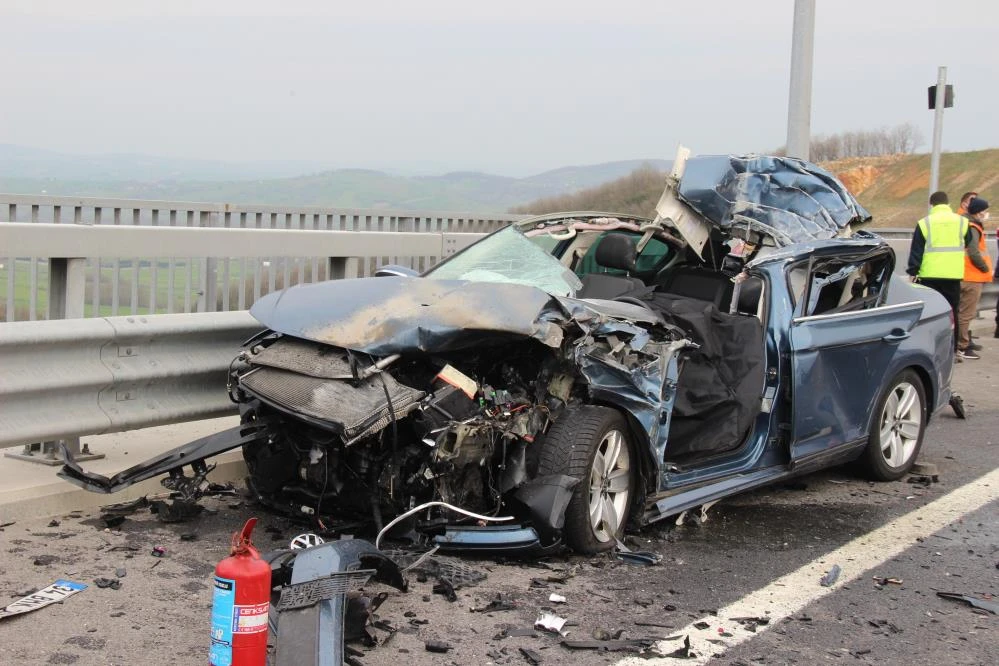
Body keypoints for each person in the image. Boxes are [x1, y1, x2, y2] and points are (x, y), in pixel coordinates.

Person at [906, 191, 975, 355]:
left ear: (932, 205)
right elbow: (969, 242)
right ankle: (953, 350)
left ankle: (929, 349)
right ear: (948, 204)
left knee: (929, 315)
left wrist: (913, 271)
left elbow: (916, 251)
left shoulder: (924, 223)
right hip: (952, 276)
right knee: (952, 312)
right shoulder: (962, 222)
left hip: (929, 276)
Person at [956, 198, 991, 359]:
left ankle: (958, 344)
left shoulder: (963, 224)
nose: (986, 214)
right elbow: (974, 252)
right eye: (984, 210)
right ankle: (962, 346)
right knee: (966, 314)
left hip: (961, 274)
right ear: (978, 211)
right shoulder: (973, 227)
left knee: (959, 312)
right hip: (972, 276)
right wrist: (985, 268)